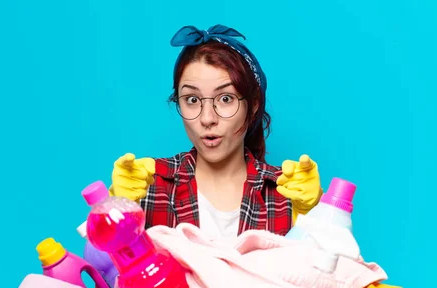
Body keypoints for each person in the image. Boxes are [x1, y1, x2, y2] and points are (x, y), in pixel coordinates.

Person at [110, 25, 322, 239]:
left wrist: (316, 214)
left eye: (225, 99)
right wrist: (115, 211)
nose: (207, 119)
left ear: (254, 103)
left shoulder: (287, 193)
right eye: (192, 100)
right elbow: (101, 268)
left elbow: (336, 269)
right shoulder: (148, 185)